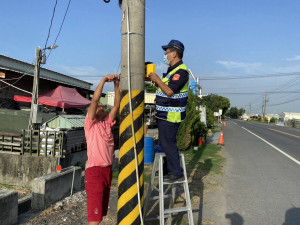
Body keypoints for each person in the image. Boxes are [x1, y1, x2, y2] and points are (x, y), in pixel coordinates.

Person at [148, 39, 189, 182]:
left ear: (174, 53)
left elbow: (170, 91)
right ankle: (167, 170)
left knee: (168, 143)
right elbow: (164, 89)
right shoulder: (172, 71)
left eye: (167, 53)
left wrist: (157, 79)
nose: (165, 56)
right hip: (163, 115)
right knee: (164, 143)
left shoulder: (181, 72)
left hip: (171, 116)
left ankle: (176, 172)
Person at [84, 74, 120, 225]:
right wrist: (103, 81)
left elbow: (117, 105)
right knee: (95, 218)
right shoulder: (90, 124)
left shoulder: (106, 123)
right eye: (99, 108)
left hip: (107, 171)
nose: (101, 107)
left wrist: (117, 85)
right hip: (95, 172)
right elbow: (95, 100)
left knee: (101, 213)